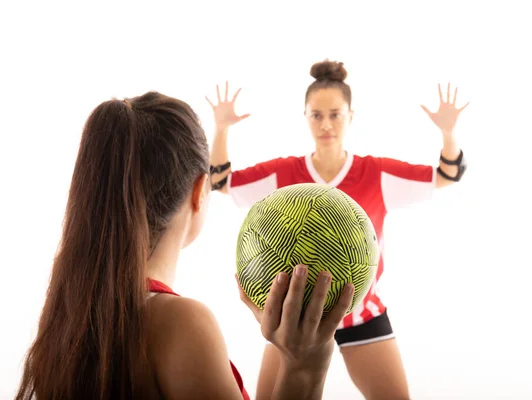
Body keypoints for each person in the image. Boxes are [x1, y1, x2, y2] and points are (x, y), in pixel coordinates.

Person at [15, 91, 355, 400]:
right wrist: (306, 367)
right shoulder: (181, 323)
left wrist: (290, 360)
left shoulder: (69, 313)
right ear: (200, 191)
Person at [207, 60, 469, 400]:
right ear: (305, 117)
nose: (326, 124)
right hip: (293, 320)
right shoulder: (284, 174)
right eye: (316, 115)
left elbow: (447, 175)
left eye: (335, 114)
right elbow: (220, 181)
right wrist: (222, 128)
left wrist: (448, 133)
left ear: (350, 116)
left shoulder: (375, 173)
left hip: (361, 313)